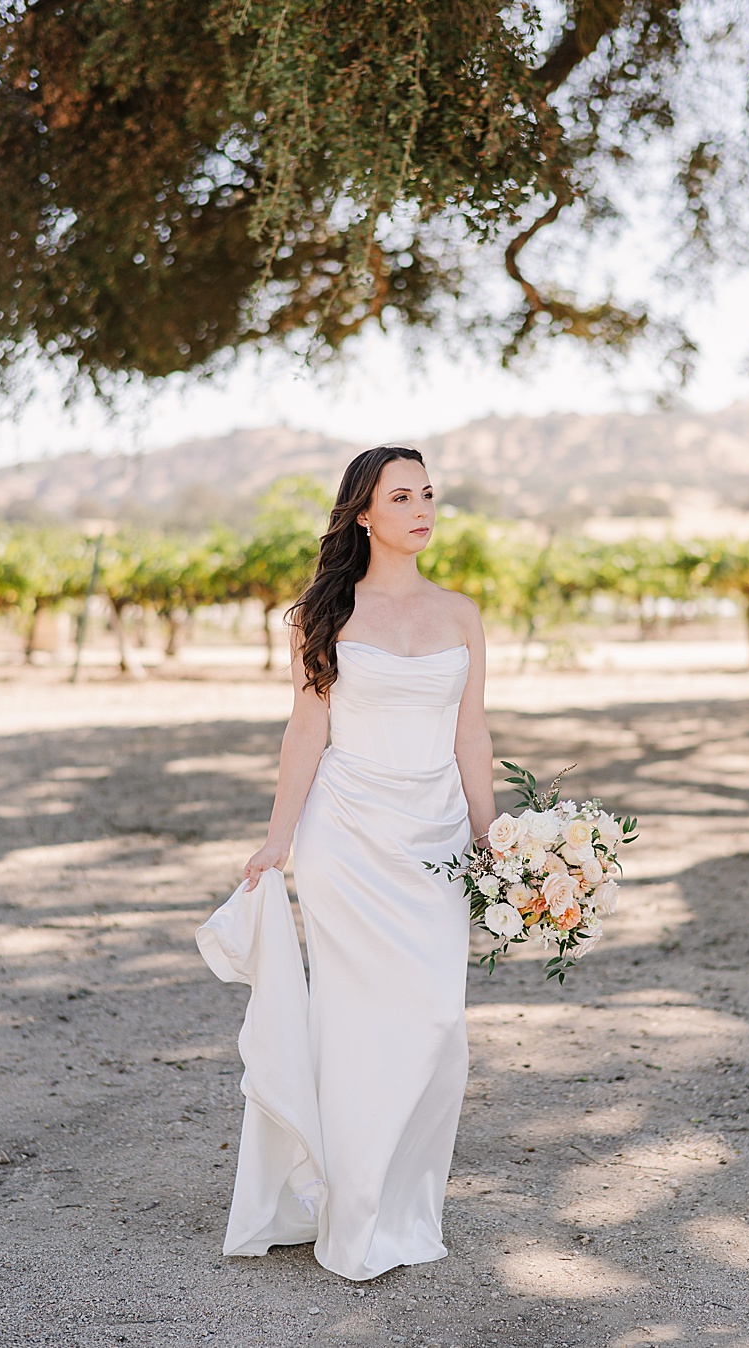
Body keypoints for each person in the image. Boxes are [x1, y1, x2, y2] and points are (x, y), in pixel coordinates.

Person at [213, 445, 494, 1280]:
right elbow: (306, 730)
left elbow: (471, 731)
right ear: (364, 513)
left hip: (437, 837)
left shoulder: (461, 614)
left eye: (428, 493)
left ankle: (404, 1201)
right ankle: (357, 1211)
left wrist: (491, 834)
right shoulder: (321, 614)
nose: (422, 507)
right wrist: (279, 839)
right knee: (356, 1023)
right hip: (348, 836)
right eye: (401, 495)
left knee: (438, 1020)